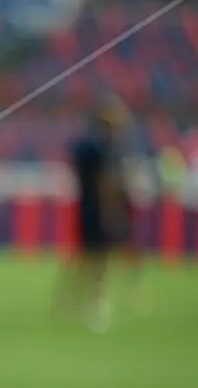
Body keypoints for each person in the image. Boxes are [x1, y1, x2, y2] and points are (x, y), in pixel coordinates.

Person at [56, 104, 130, 332]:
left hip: (85, 209)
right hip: (98, 211)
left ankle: (70, 301)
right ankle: (93, 303)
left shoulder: (86, 146)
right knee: (98, 260)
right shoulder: (103, 149)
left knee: (86, 258)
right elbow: (106, 183)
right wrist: (113, 211)